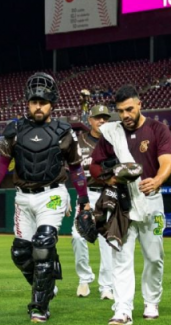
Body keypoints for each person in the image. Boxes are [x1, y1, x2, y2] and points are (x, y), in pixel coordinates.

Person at [0, 72, 90, 323]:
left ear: (52, 103)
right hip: (23, 198)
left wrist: (82, 198)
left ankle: (39, 305)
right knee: (20, 254)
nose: (38, 106)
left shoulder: (63, 132)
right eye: (34, 102)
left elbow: (75, 168)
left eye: (43, 102)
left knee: (43, 244)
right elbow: (3, 162)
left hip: (51, 195)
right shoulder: (15, 130)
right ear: (28, 103)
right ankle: (48, 282)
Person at [89, 85, 171, 325]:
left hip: (152, 203)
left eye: (129, 109)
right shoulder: (113, 133)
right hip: (123, 204)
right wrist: (110, 179)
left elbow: (167, 162)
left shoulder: (158, 129)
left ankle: (151, 301)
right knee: (121, 258)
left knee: (154, 257)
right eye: (120, 111)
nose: (125, 115)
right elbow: (95, 165)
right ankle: (122, 309)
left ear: (139, 105)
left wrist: (157, 180)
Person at [72, 104, 113, 300]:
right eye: (98, 118)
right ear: (90, 121)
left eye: (105, 117)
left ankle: (106, 285)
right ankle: (84, 279)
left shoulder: (114, 140)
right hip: (86, 194)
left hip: (108, 193)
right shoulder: (78, 142)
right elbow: (69, 170)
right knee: (78, 237)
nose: (102, 121)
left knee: (108, 241)